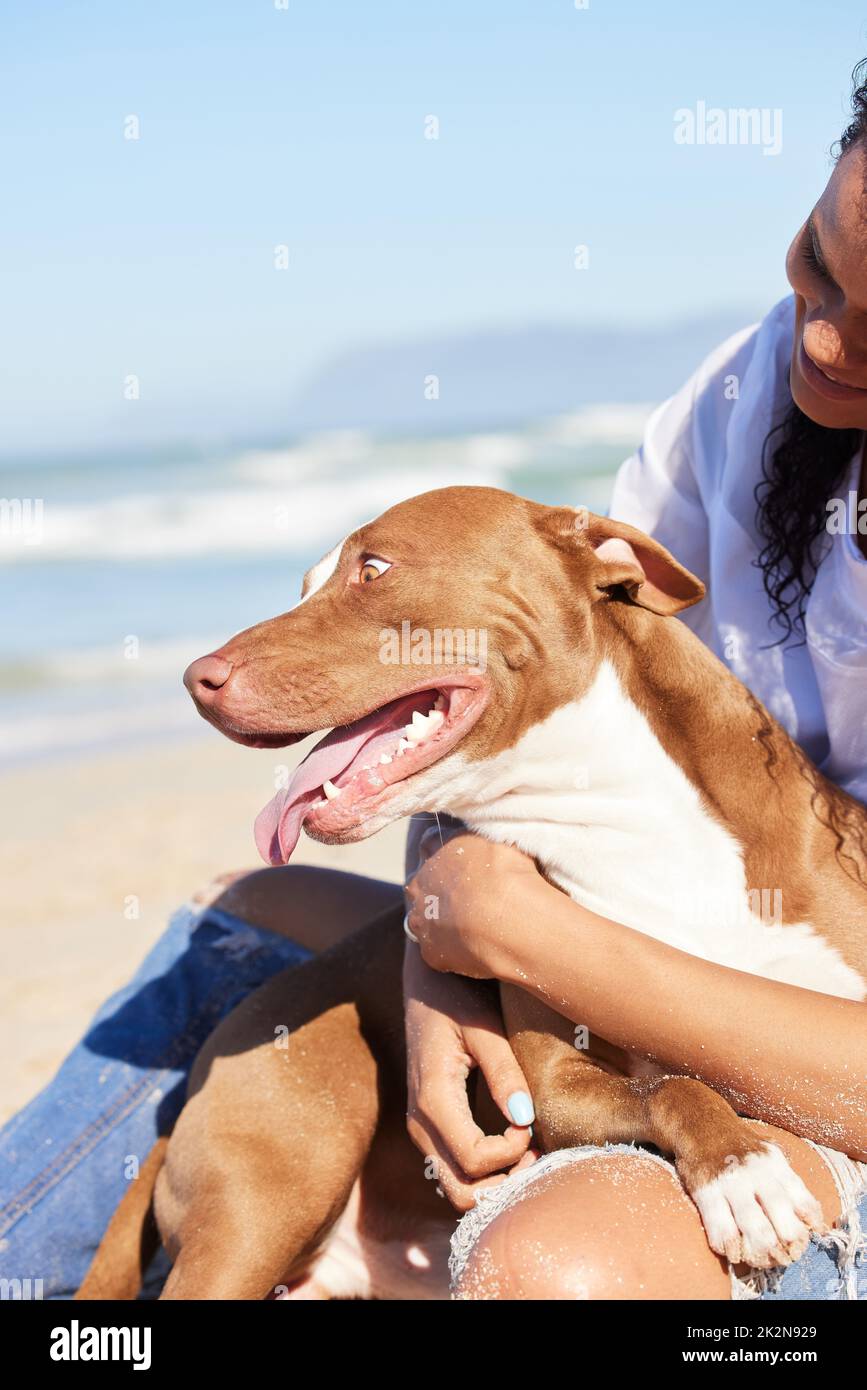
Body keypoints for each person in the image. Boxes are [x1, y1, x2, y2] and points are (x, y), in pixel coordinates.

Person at [3, 63, 867, 1302]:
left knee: (549, 1263)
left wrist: (527, 941)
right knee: (247, 908)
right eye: (816, 263)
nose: (820, 340)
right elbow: (521, 667)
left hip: (818, 1055)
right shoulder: (741, 402)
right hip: (648, 936)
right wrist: (435, 944)